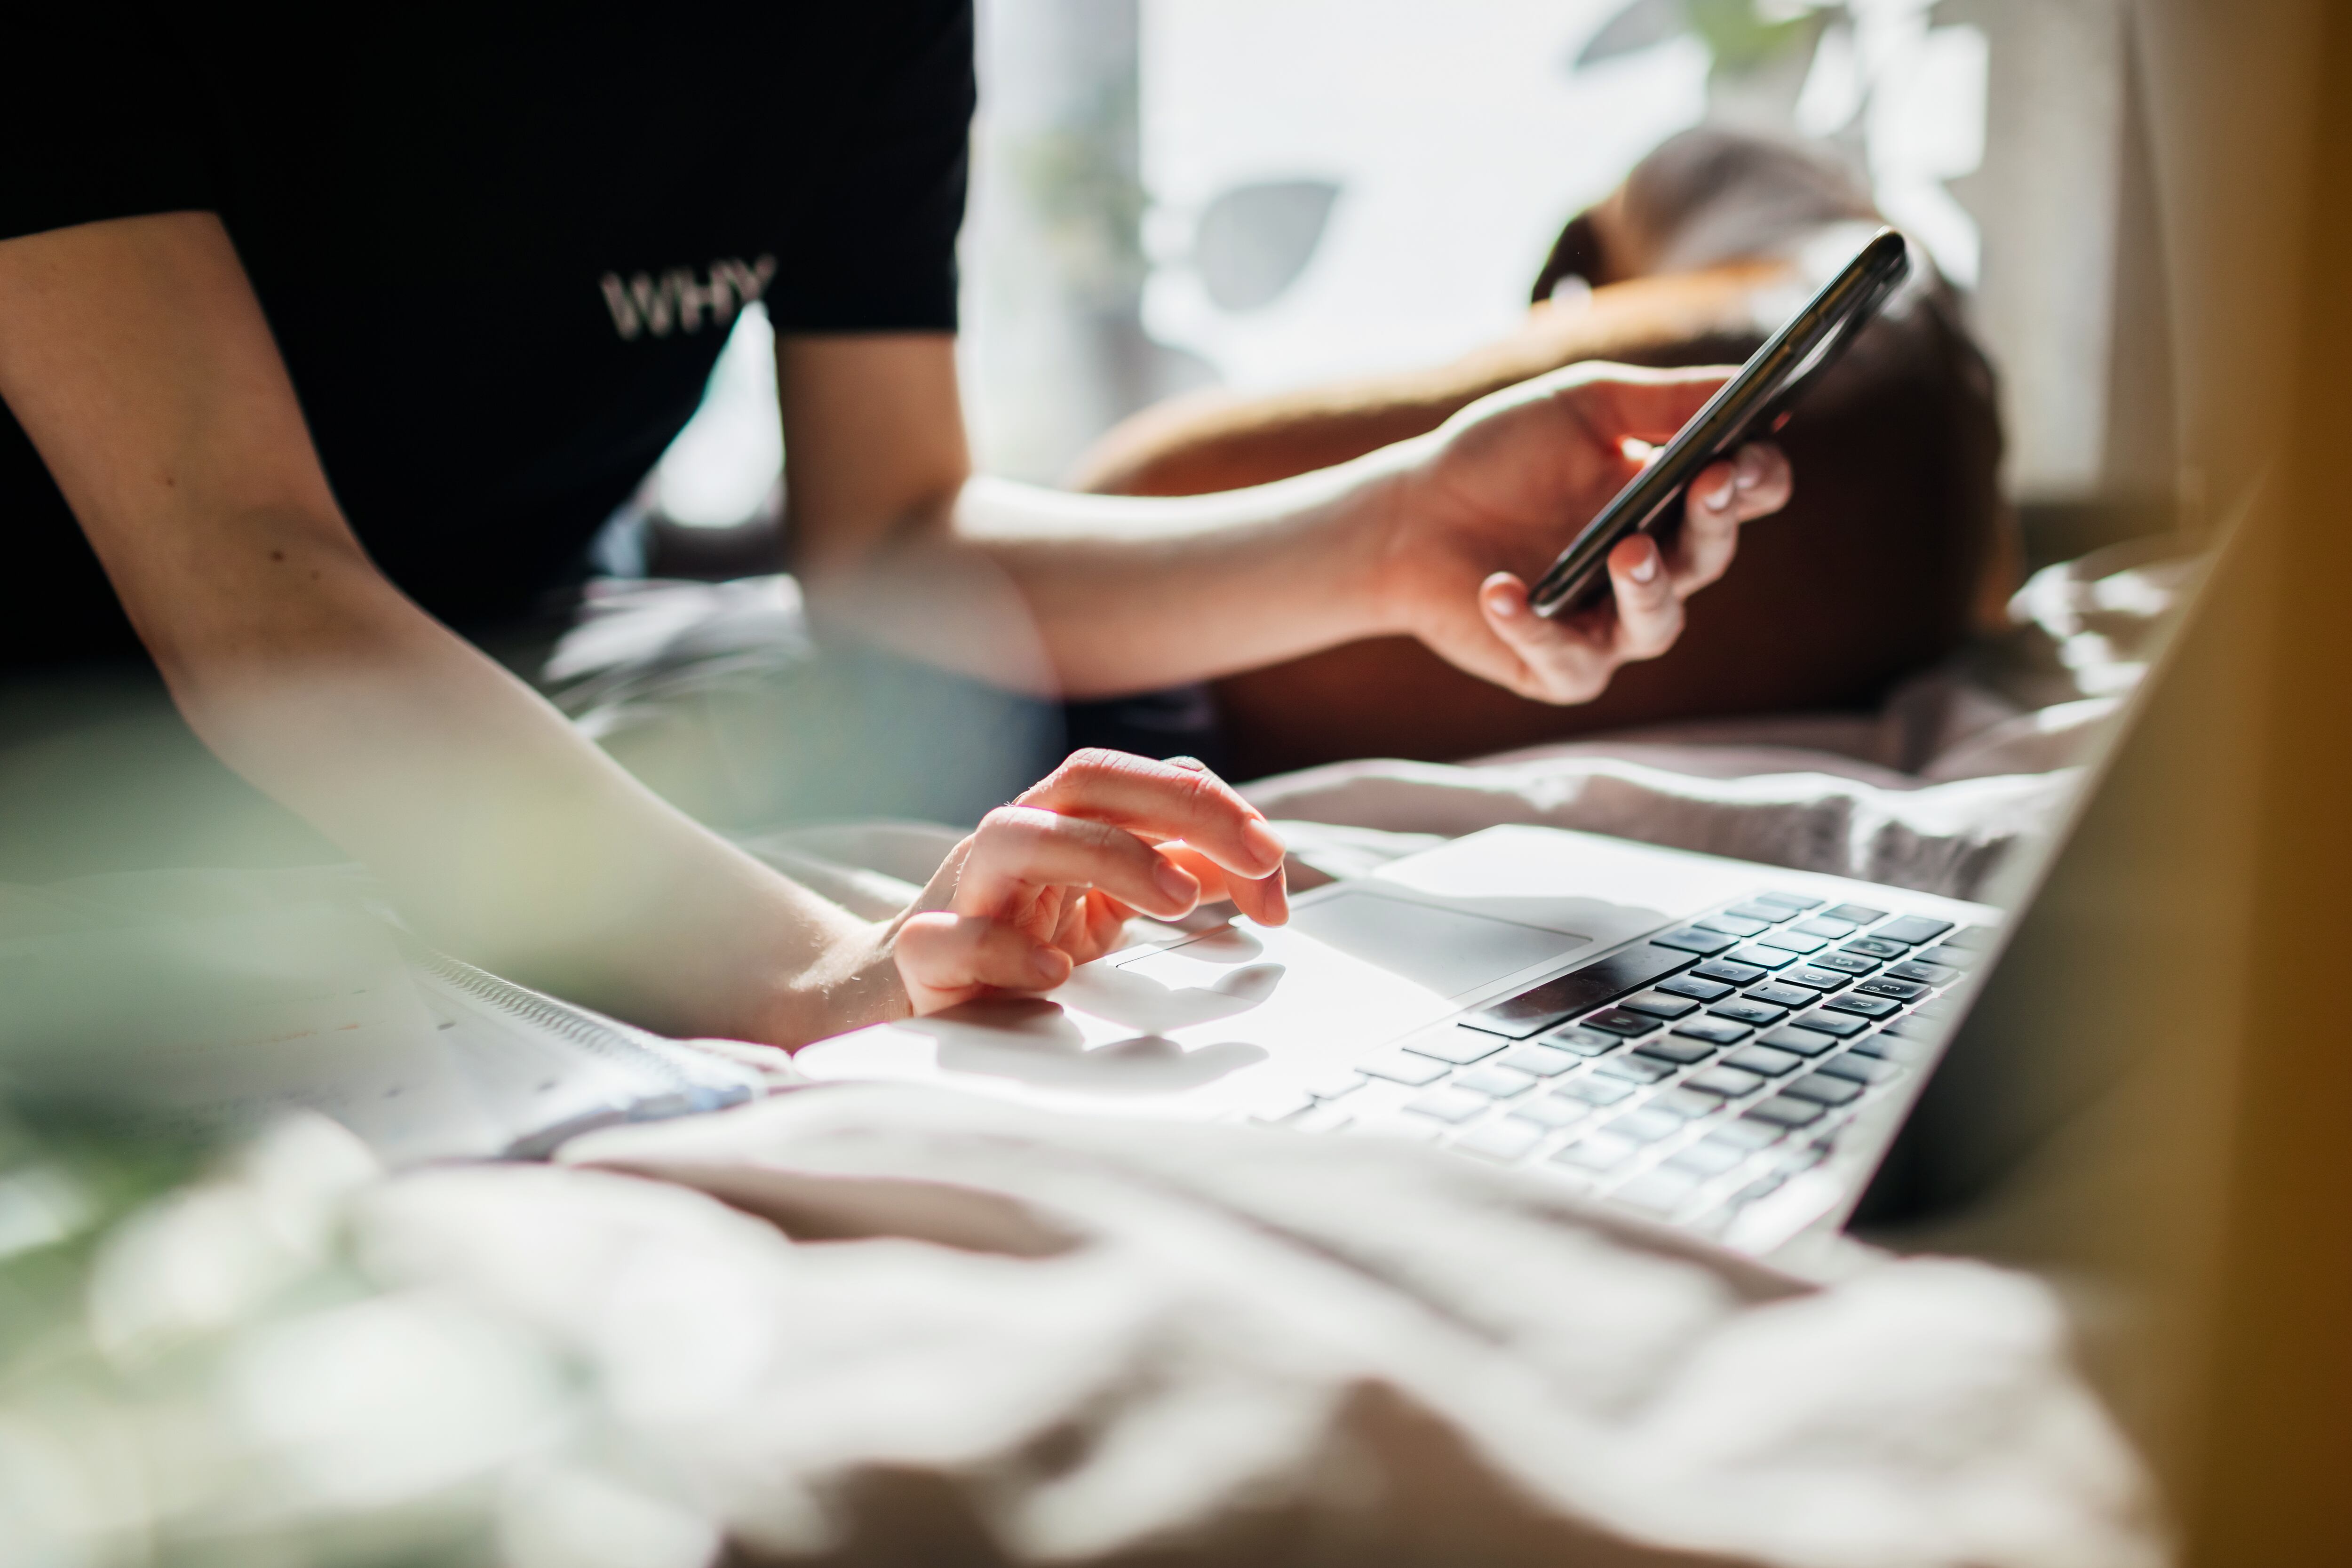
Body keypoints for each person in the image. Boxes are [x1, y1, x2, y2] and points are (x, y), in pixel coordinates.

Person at [0, 6, 1788, 1049]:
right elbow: (253, 586)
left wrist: (1391, 530)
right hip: (89, 692)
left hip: (488, 634)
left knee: (1077, 740)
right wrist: (820, 969)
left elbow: (895, 540)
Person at [1075, 128, 2012, 776]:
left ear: (1579, 280)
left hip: (1117, 598)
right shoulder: (1950, 383)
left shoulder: (1137, 489)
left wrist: (1405, 525)